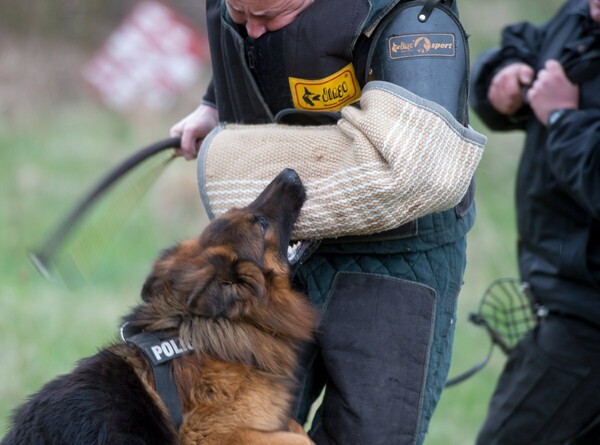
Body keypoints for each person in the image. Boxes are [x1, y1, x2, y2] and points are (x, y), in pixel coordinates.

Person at [171, 1, 475, 444]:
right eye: (239, 15)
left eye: (269, 18)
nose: (254, 31)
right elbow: (261, 49)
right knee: (225, 428)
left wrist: (229, 161)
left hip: (394, 255)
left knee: (369, 435)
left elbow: (415, 168)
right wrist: (216, 102)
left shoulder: (406, 13)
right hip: (277, 253)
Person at [470, 0, 600, 443]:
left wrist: (562, 116)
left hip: (586, 316)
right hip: (562, 295)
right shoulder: (584, 14)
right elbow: (531, 42)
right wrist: (502, 79)